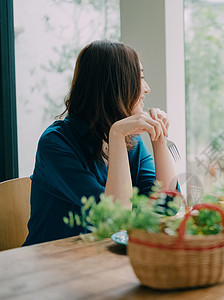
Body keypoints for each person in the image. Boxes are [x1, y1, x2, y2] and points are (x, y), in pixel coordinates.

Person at [23, 40, 178, 246]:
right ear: (114, 86)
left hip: (103, 258)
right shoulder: (56, 143)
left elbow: (167, 205)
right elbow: (114, 218)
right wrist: (116, 135)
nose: (147, 88)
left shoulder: (131, 140)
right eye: (139, 78)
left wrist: (159, 139)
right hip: (52, 265)